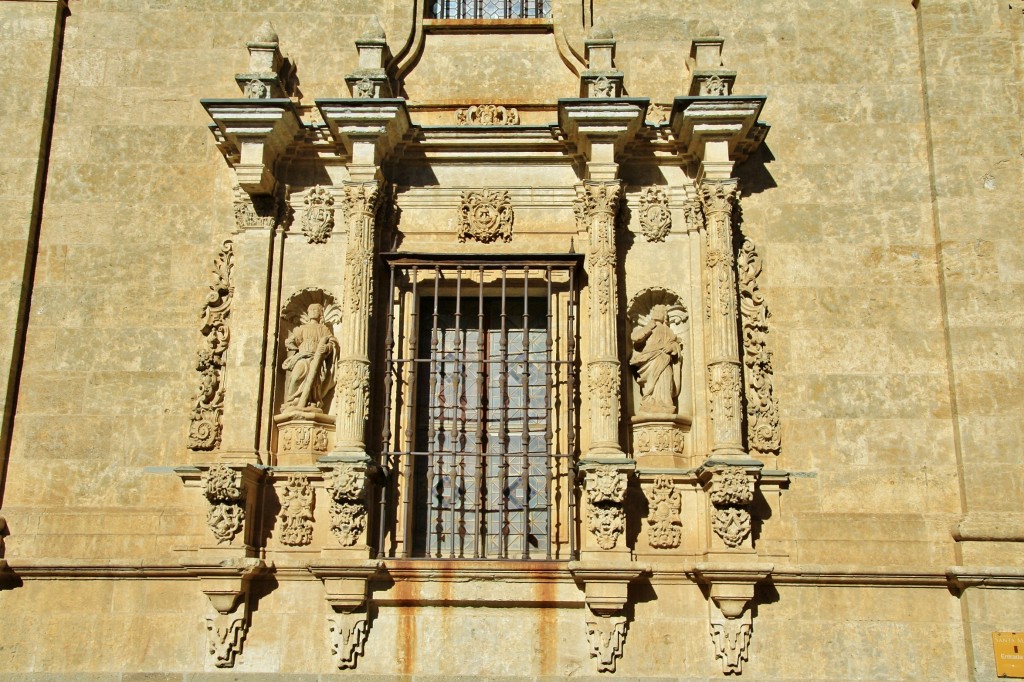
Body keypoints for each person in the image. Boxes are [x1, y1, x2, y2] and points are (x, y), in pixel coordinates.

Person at [282, 303, 338, 411]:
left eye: (315, 310)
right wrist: (298, 348)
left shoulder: (323, 329)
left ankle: (311, 401)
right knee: (295, 377)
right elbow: (289, 341)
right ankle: (293, 400)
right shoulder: (302, 328)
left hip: (316, 358)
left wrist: (326, 348)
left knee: (315, 381)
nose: (312, 311)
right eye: (310, 310)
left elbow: (332, 341)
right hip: (302, 358)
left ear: (320, 313)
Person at [629, 304, 682, 414]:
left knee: (665, 379)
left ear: (665, 316)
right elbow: (635, 338)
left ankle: (665, 404)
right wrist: (649, 326)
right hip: (651, 361)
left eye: (661, 312)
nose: (658, 313)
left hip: (665, 361)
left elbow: (675, 346)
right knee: (652, 383)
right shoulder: (649, 327)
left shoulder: (668, 331)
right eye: (656, 311)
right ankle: (650, 401)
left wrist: (671, 347)